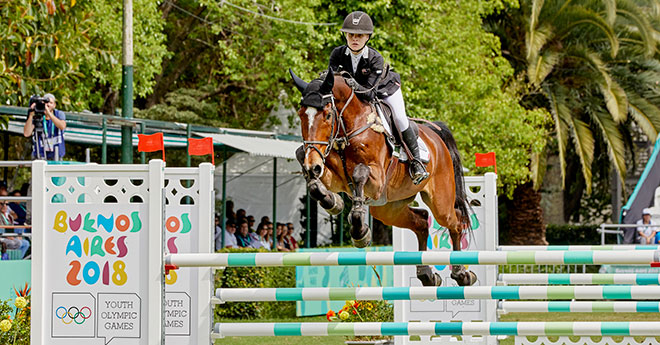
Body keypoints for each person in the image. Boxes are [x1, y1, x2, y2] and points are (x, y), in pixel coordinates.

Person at [328, 11, 428, 184]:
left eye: (359, 35)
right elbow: (332, 82)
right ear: (345, 35)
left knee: (399, 118)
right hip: (355, 96)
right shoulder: (337, 54)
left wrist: (349, 83)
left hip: (385, 90)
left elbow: (369, 93)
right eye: (351, 35)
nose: (355, 39)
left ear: (367, 37)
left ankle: (416, 162)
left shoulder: (375, 58)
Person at [23, 93, 66, 160]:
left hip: (56, 155)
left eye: (50, 103)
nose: (48, 105)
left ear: (54, 105)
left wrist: (49, 113)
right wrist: (31, 115)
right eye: (46, 103)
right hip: (39, 154)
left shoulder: (59, 114)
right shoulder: (37, 115)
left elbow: (62, 126)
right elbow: (26, 133)